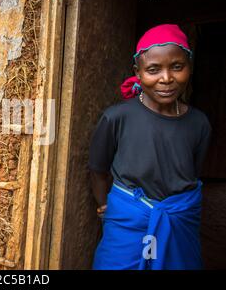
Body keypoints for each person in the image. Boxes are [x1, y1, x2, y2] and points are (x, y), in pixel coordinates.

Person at [89, 24, 212, 270]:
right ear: (138, 72)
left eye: (177, 67)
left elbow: (192, 173)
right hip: (128, 222)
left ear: (189, 67)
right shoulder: (117, 117)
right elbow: (98, 170)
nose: (166, 78)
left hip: (178, 221)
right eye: (154, 70)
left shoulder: (199, 123)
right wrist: (105, 204)